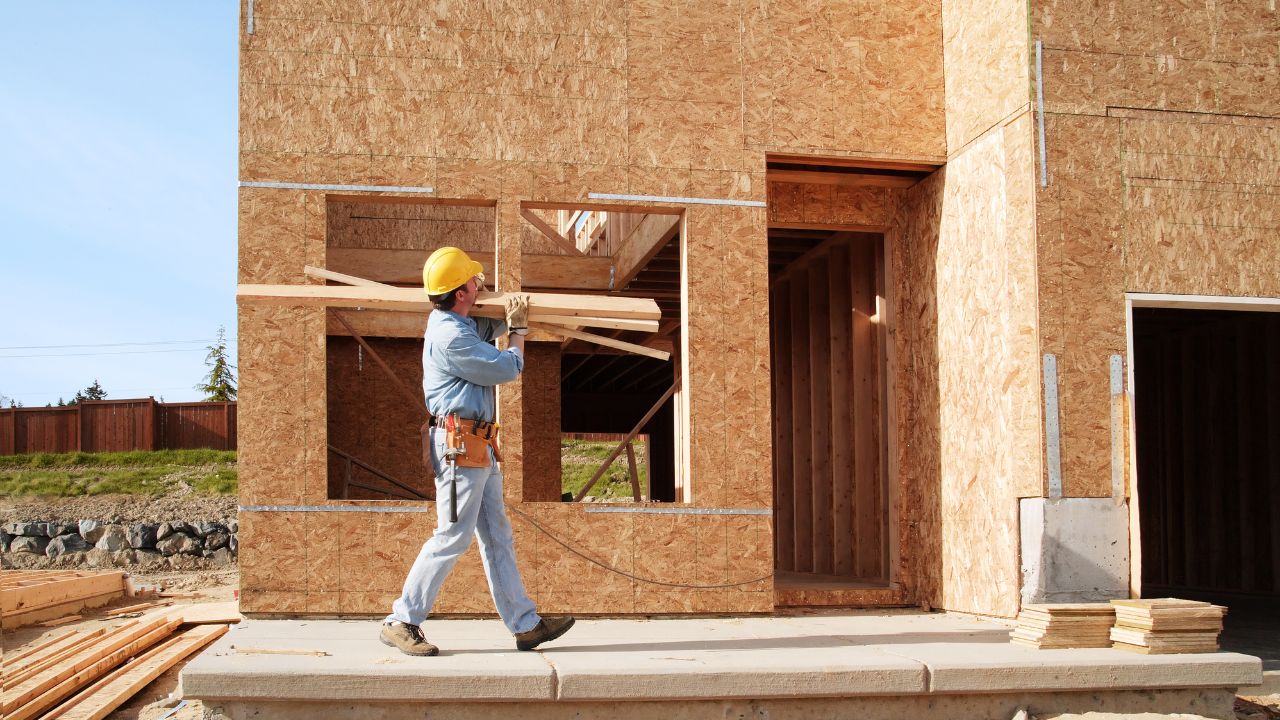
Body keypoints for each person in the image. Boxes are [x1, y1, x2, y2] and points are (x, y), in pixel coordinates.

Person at [380, 246, 575, 656]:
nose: (479, 282)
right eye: (473, 280)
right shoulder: (451, 336)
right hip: (458, 447)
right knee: (452, 535)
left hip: (478, 445)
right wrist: (519, 332)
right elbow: (508, 367)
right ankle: (402, 620)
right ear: (461, 292)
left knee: (496, 536)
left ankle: (525, 625)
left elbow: (485, 326)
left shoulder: (457, 321)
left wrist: (508, 312)